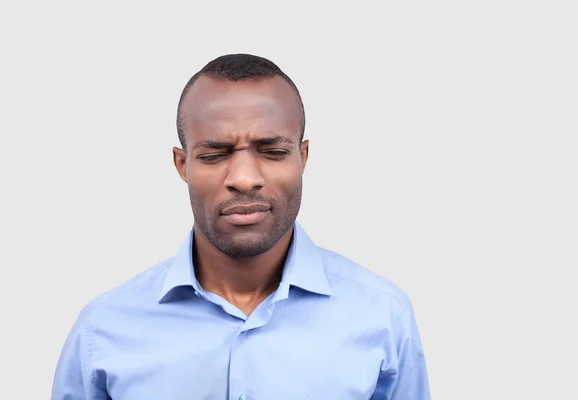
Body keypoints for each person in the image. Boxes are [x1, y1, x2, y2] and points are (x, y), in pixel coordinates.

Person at [51, 53, 431, 400]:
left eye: (273, 152)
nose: (245, 179)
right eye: (214, 155)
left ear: (302, 157)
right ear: (182, 166)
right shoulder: (101, 332)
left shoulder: (382, 315)